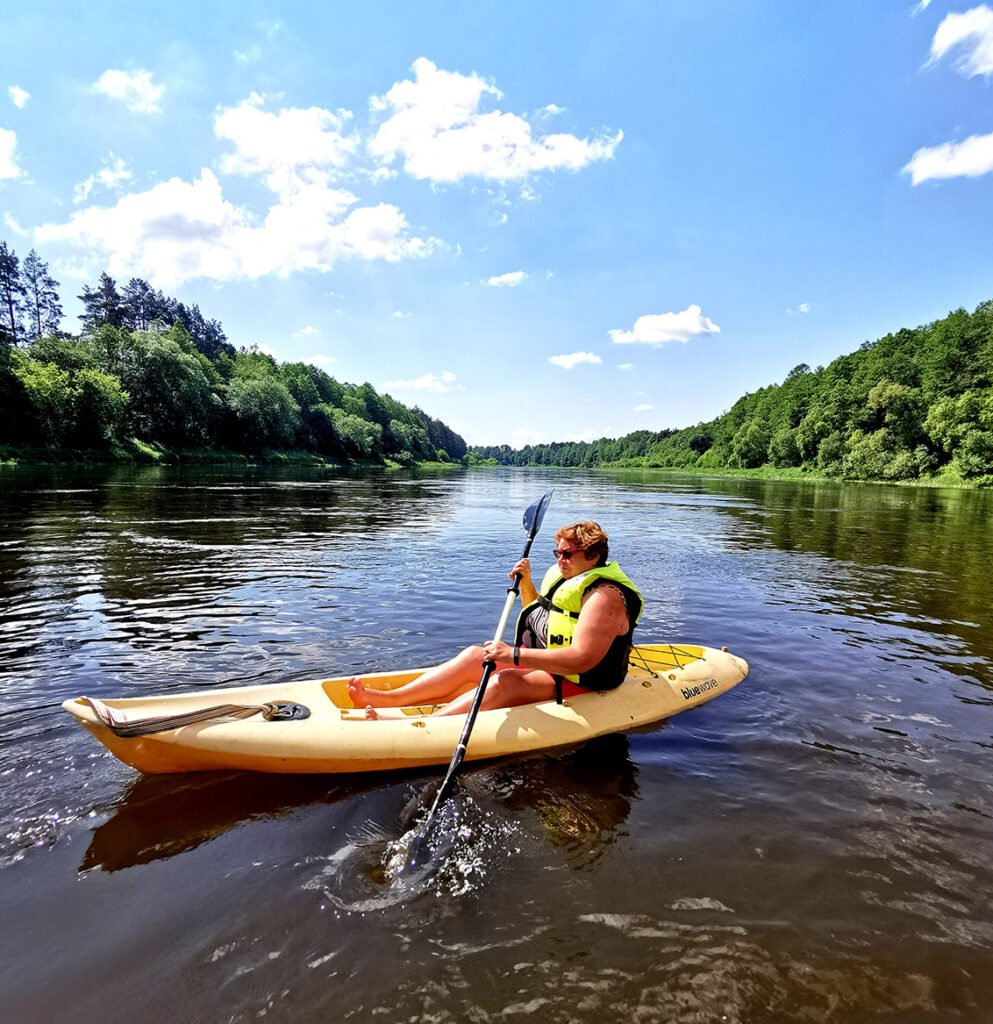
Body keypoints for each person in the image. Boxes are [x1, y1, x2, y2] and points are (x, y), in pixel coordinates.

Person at [347, 521, 643, 719]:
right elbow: (544, 619)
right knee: (474, 656)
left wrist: (513, 655)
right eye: (557, 553)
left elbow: (581, 660)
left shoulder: (605, 598)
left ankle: (429, 725)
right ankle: (391, 699)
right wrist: (526, 584)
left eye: (566, 554)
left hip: (583, 679)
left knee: (505, 681)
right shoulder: (573, 577)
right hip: (556, 664)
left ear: (592, 556)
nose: (559, 560)